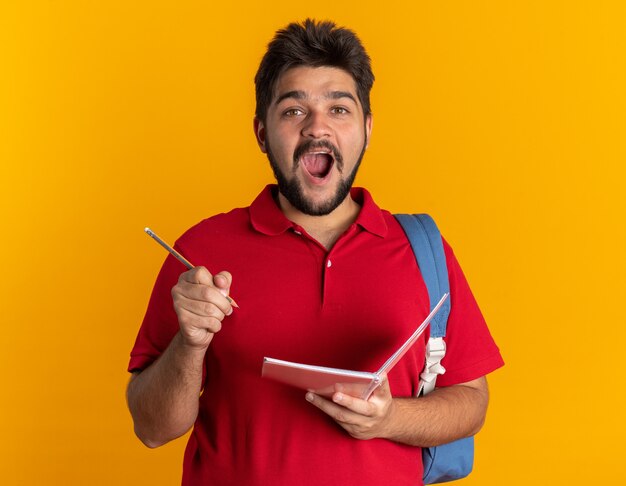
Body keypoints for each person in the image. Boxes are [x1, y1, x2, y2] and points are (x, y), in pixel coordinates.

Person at [127, 19, 504, 485]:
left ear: (366, 129)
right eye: (293, 111)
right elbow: (151, 428)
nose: (317, 128)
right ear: (262, 133)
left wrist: (388, 420)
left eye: (339, 109)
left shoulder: (423, 249)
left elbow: (471, 402)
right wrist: (191, 345)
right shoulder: (201, 252)